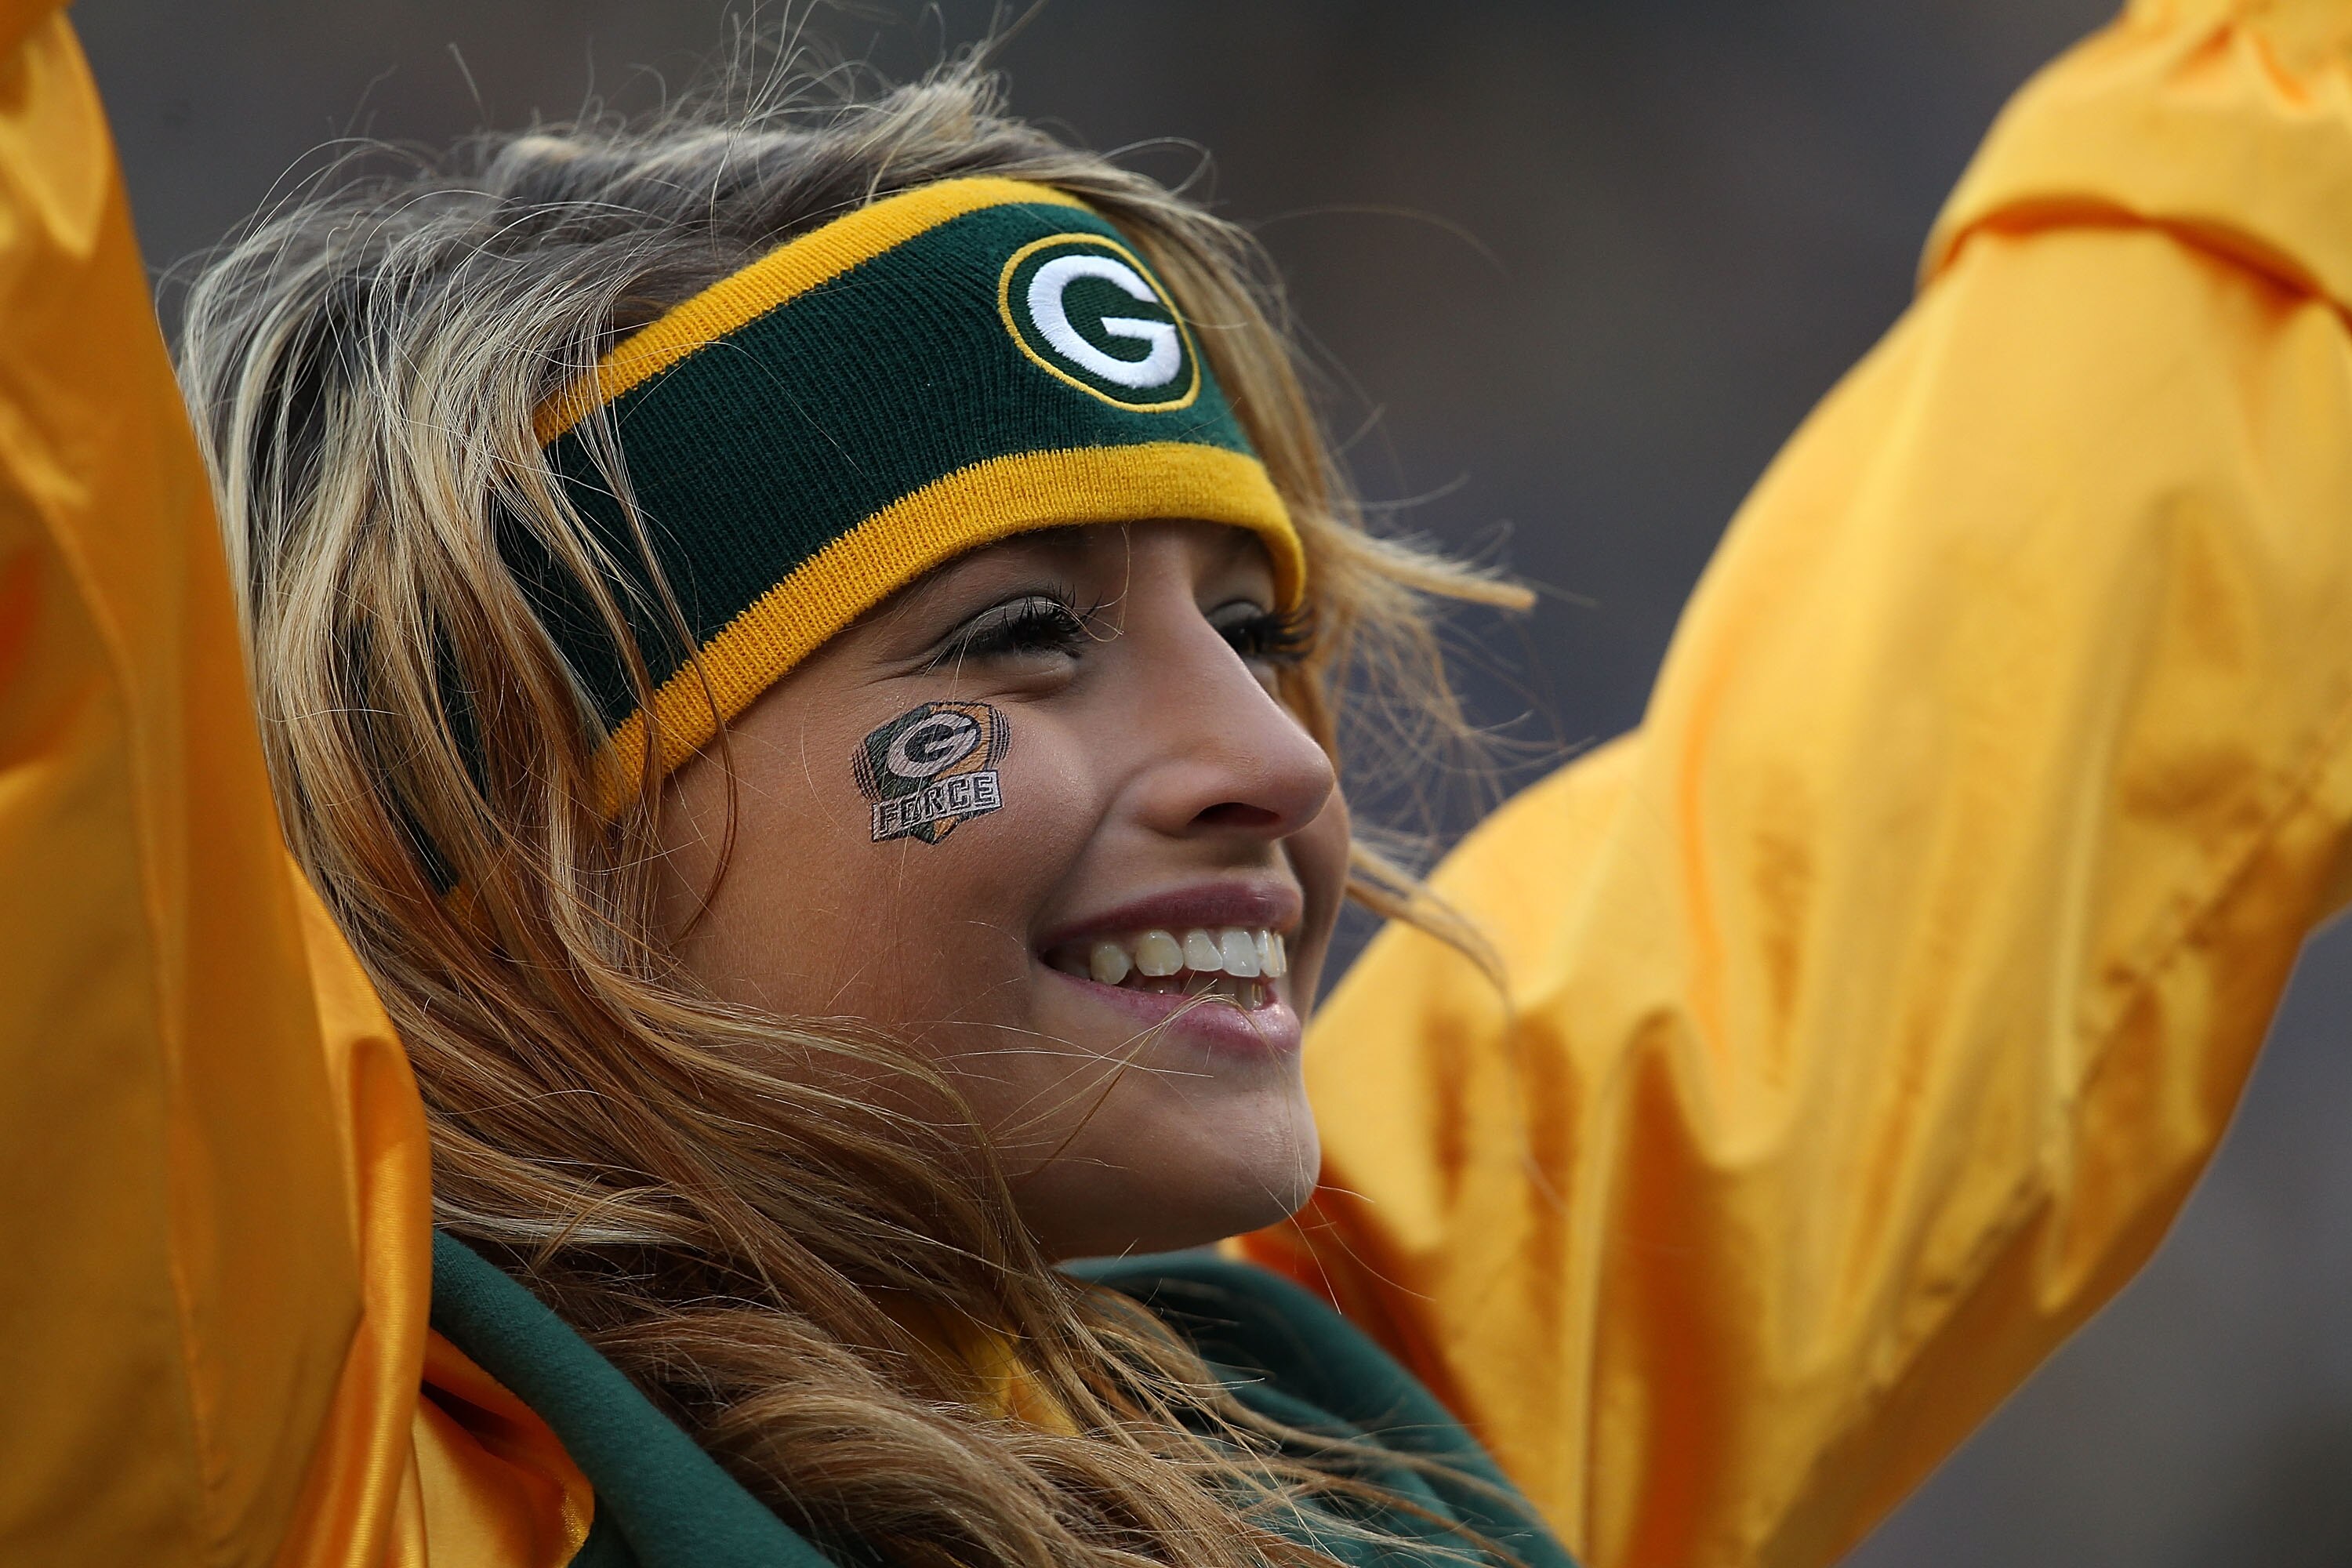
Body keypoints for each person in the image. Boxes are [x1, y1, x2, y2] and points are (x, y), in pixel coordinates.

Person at [5, 0, 2350, 1565]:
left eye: (1248, 627)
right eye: (1017, 638)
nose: (1270, 758)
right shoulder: (307, 1481)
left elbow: (2061, 654)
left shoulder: (1353, 1442)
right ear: (516, 829)